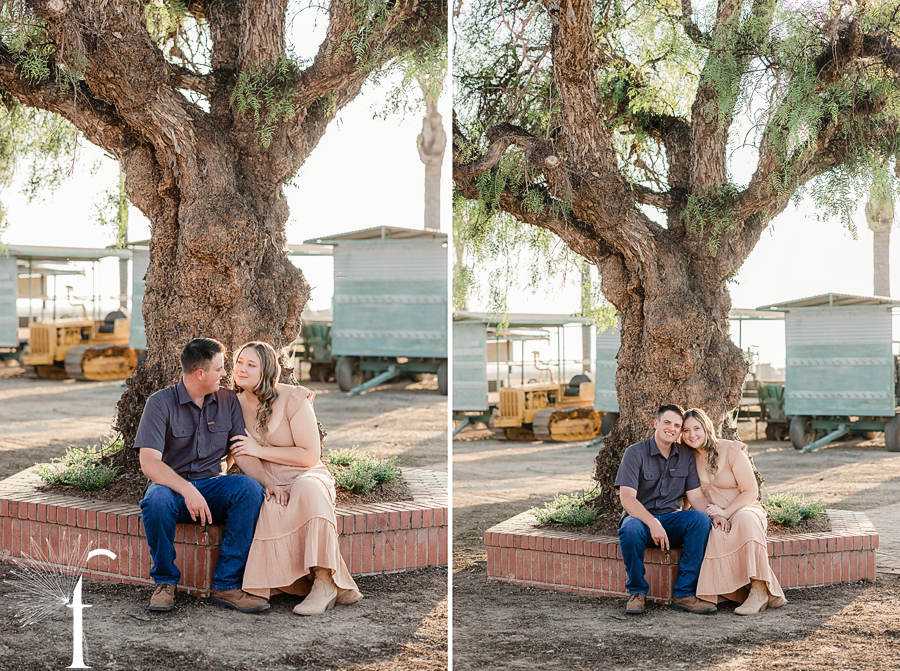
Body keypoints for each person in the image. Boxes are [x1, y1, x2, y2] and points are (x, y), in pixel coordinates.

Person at [136, 338, 274, 614]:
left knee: (248, 489)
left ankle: (226, 585)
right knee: (155, 502)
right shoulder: (159, 403)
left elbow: (241, 452)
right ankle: (164, 582)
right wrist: (188, 490)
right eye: (220, 368)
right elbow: (149, 463)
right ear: (201, 373)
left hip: (213, 488)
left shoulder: (227, 401)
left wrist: (269, 483)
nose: (225, 374)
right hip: (172, 489)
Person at [229, 341, 362, 616]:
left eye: (250, 364)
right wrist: (266, 480)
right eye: (239, 362)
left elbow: (310, 455)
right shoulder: (232, 404)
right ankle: (320, 584)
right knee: (270, 504)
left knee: (308, 491)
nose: (241, 369)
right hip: (268, 478)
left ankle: (325, 582)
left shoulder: (293, 398)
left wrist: (260, 449)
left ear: (266, 369)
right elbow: (238, 452)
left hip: (305, 473)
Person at [615, 404, 728, 615]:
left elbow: (695, 496)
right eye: (667, 422)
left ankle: (684, 594)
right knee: (629, 529)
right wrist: (653, 523)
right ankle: (637, 592)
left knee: (699, 520)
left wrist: (716, 514)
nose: (672, 428)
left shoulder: (685, 454)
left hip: (671, 521)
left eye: (677, 425)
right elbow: (627, 500)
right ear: (656, 424)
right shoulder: (634, 453)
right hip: (640, 521)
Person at [682, 408, 787, 615]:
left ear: (707, 428)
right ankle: (736, 592)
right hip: (713, 513)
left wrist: (726, 512)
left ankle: (759, 590)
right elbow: (691, 496)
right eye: (686, 430)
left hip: (742, 506)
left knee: (745, 521)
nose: (691, 434)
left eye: (696, 428)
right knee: (714, 532)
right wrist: (715, 515)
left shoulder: (730, 450)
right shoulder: (686, 458)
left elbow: (751, 490)